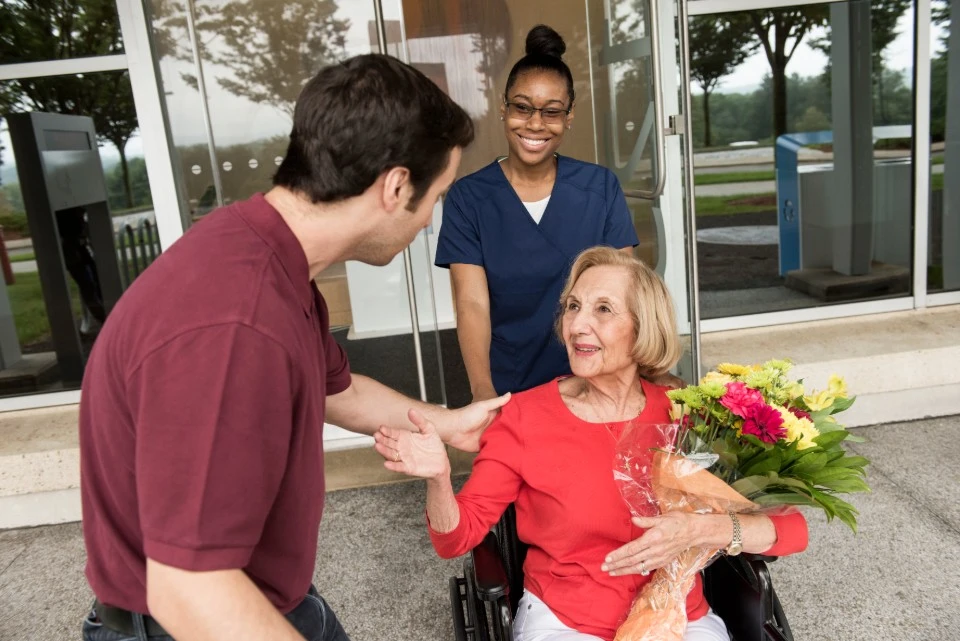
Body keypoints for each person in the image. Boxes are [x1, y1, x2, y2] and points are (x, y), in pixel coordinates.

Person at [78, 54, 510, 641]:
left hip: (272, 596)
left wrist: (451, 423)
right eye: (437, 197)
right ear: (396, 186)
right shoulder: (235, 326)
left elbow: (342, 390)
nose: (431, 218)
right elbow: (189, 589)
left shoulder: (270, 258)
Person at [375, 247, 808, 641]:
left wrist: (701, 530)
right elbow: (455, 539)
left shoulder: (684, 415)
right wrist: (438, 478)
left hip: (678, 615)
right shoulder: (526, 417)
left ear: (643, 328)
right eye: (572, 307)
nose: (577, 325)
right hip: (567, 623)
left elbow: (792, 530)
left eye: (603, 309)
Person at [435, 25, 640, 403]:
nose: (535, 124)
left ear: (569, 116)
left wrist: (637, 373)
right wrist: (483, 391)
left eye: (551, 112)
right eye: (522, 107)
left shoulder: (600, 188)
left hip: (596, 380)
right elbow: (472, 305)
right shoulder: (468, 198)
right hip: (511, 384)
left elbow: (626, 294)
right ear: (504, 107)